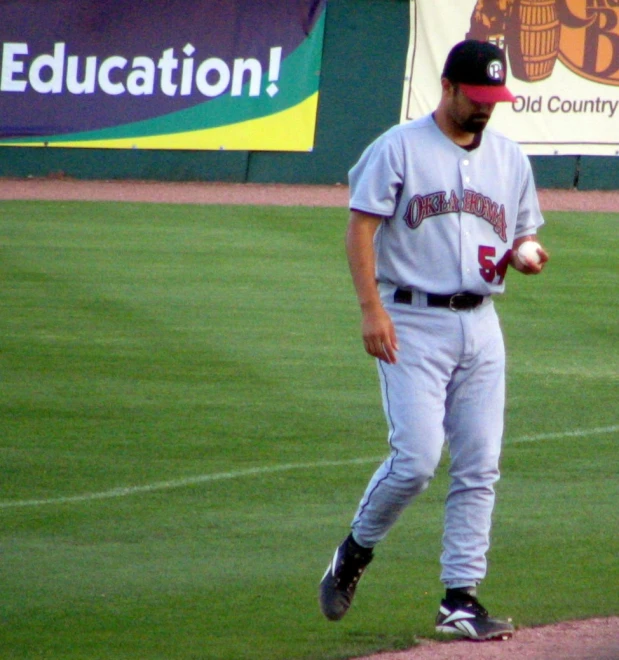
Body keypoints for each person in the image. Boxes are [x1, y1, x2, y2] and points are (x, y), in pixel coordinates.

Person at [319, 39, 549, 641]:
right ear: (447, 87)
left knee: (479, 466)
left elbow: (522, 234)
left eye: (493, 99)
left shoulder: (510, 159)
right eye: (475, 98)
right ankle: (354, 552)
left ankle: (460, 598)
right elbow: (360, 229)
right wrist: (371, 311)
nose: (485, 108)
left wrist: (526, 255)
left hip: (482, 325)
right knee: (417, 460)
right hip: (411, 320)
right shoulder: (397, 148)